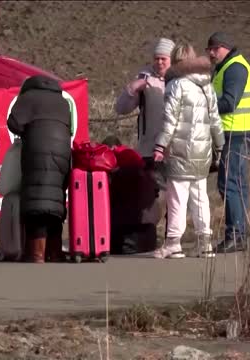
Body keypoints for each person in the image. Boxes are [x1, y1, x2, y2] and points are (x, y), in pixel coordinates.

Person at [151, 44, 225, 259]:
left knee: (177, 199)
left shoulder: (176, 86)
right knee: (200, 197)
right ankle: (205, 243)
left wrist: (160, 146)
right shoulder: (206, 86)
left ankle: (174, 243)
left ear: (175, 62)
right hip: (202, 152)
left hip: (180, 152)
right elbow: (215, 121)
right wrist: (220, 145)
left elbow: (169, 121)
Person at [114, 37, 175, 244]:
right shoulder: (145, 78)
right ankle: (148, 236)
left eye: (164, 59)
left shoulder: (179, 80)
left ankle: (172, 237)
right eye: (156, 58)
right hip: (149, 149)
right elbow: (121, 108)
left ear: (171, 60)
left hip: (173, 150)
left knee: (175, 197)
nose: (159, 62)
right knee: (150, 198)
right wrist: (132, 89)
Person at [7, 75, 72, 263]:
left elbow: (14, 122)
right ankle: (55, 251)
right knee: (55, 199)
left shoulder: (28, 97)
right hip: (62, 152)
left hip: (37, 149)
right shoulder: (62, 101)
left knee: (37, 200)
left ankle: (36, 254)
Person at [206, 32, 250, 253]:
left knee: (230, 184)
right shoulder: (227, 67)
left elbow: (229, 102)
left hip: (236, 132)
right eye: (209, 49)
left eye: (215, 48)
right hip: (236, 131)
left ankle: (235, 235)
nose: (210, 53)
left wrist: (204, 104)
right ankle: (239, 233)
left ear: (225, 47)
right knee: (236, 183)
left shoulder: (235, 68)